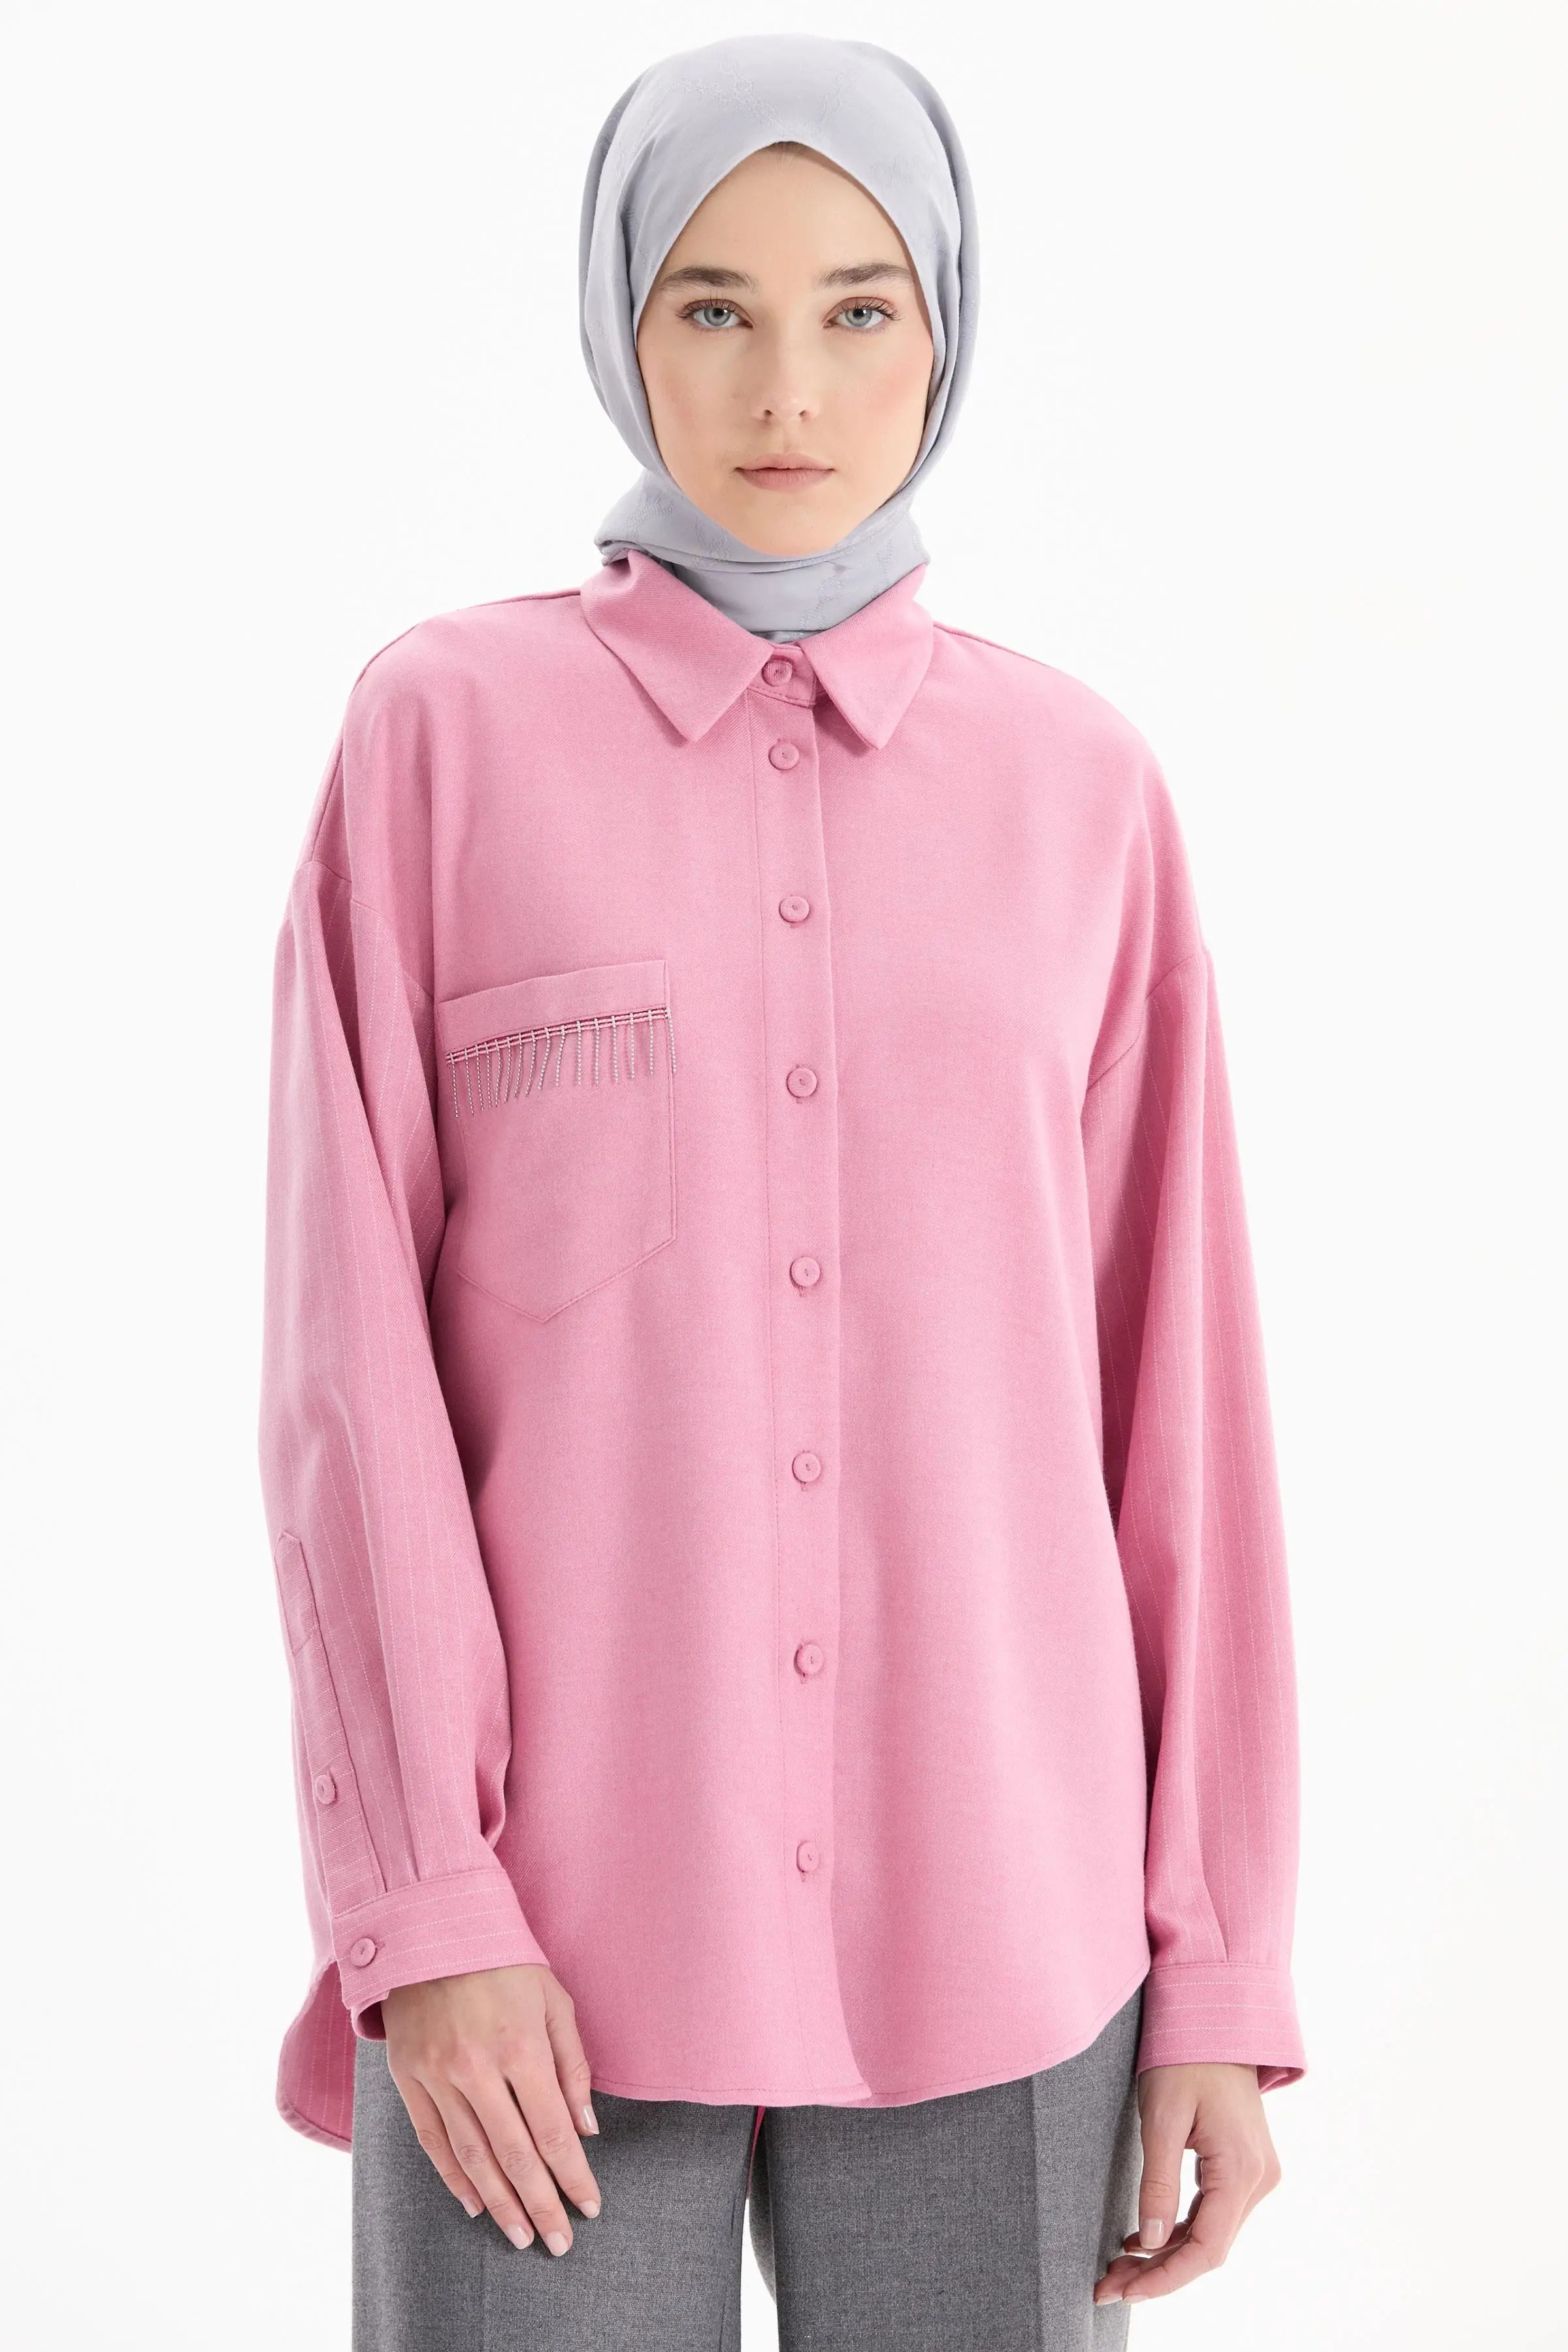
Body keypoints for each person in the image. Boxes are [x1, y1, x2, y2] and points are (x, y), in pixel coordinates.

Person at [260, 33, 1307, 2350]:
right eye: (715, 306)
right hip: (544, 1960)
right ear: (620, 321)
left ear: (947, 326)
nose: (790, 388)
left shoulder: (1084, 791)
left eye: (860, 308)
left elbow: (1182, 1413)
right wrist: (424, 1902)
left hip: (1010, 1934)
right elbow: (349, 1387)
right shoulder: (442, 739)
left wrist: (1218, 1960)